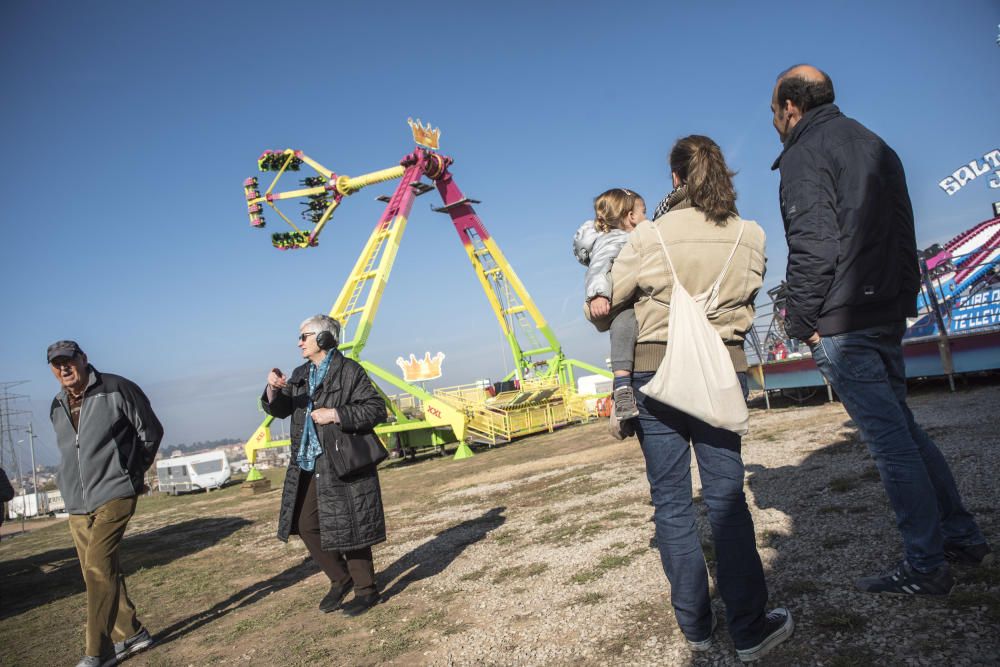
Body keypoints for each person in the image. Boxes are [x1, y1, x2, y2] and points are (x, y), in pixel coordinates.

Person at [769, 64, 992, 594]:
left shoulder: (804, 153)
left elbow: (815, 245)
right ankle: (960, 537)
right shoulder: (874, 143)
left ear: (791, 108)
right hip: (885, 310)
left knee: (892, 444)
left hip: (844, 319)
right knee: (906, 432)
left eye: (774, 111)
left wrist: (802, 323)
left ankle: (925, 565)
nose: (774, 121)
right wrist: (901, 297)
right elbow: (903, 228)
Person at [594, 135, 791, 662]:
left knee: (672, 502)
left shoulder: (650, 235)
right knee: (727, 496)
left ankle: (696, 625)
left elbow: (609, 305)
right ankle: (750, 627)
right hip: (721, 371)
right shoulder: (750, 234)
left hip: (655, 374)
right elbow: (748, 295)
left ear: (675, 178)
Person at [262, 315, 389, 616]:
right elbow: (280, 409)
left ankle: (367, 591)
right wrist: (274, 389)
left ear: (323, 339)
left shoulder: (349, 371)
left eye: (304, 336)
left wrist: (335, 414)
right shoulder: (300, 374)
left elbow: (375, 409)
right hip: (308, 461)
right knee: (306, 524)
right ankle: (340, 579)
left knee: (351, 524)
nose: (299, 342)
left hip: (341, 459)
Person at [47, 340, 161, 667]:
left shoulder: (116, 388)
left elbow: (150, 432)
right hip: (77, 502)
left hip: (115, 493)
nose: (64, 368)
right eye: (57, 364)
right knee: (98, 572)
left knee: (98, 568)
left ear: (83, 359)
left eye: (69, 360)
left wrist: (131, 472)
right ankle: (131, 634)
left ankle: (98, 652)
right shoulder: (56, 404)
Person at [573, 188, 646, 425]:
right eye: (643, 212)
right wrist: (598, 295)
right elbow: (599, 267)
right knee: (624, 323)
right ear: (630, 216)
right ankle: (623, 387)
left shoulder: (626, 236)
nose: (646, 217)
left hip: (638, 299)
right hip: (625, 305)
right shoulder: (615, 239)